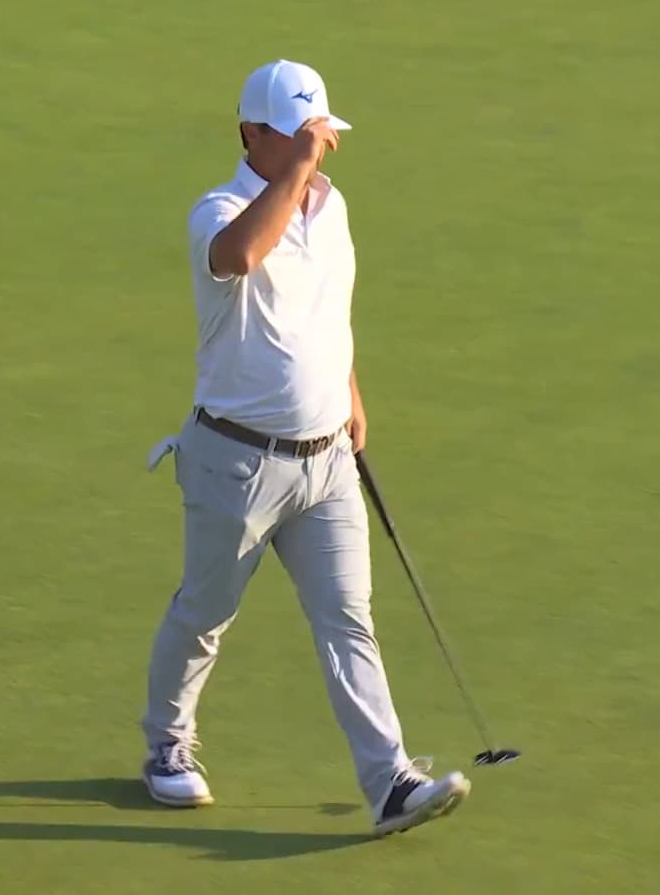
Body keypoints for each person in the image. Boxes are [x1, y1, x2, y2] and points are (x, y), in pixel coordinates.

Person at [140, 59, 471, 837]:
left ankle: (389, 780)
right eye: (297, 139)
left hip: (326, 464)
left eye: (319, 138)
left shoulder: (331, 207)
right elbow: (240, 259)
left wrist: (348, 392)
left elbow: (327, 312)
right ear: (250, 134)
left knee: (348, 618)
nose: (315, 154)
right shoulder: (217, 212)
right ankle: (167, 747)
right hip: (236, 462)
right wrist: (291, 176)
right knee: (205, 612)